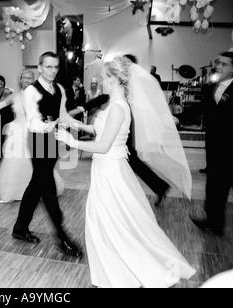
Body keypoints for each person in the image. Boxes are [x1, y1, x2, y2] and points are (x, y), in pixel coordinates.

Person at [55, 56, 196, 288]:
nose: (100, 82)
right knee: (111, 221)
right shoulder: (116, 106)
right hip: (107, 169)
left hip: (111, 171)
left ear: (112, 79)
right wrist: (76, 124)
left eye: (102, 78)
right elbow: (99, 130)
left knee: (111, 221)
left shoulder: (118, 108)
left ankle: (121, 272)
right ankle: (114, 268)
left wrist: (72, 141)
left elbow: (102, 145)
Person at [11, 51, 82, 258]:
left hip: (51, 141)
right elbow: (33, 121)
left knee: (36, 186)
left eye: (55, 67)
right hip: (37, 141)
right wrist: (51, 125)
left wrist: (84, 125)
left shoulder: (59, 89)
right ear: (40, 68)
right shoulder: (31, 92)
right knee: (48, 190)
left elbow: (63, 115)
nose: (52, 70)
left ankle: (20, 228)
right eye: (48, 67)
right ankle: (62, 238)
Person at [0, 70, 65, 203]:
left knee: (36, 164)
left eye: (29, 78)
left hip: (33, 131)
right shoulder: (14, 96)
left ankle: (41, 191)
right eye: (24, 78)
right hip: (17, 132)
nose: (26, 80)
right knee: (15, 162)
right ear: (20, 80)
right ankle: (13, 192)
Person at [190, 52, 233, 245]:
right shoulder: (210, 87)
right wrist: (174, 118)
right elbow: (200, 110)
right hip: (214, 148)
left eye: (224, 64)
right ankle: (214, 223)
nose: (218, 66)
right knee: (214, 188)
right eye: (218, 62)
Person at [123, 54, 171, 206]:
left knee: (130, 158)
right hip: (128, 121)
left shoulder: (130, 80)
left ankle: (158, 186)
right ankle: (159, 186)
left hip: (128, 123)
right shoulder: (134, 80)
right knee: (130, 159)